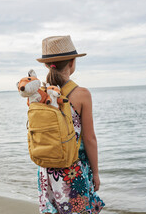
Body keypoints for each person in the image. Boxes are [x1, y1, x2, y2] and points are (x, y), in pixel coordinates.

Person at [36, 36, 105, 214]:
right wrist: (96, 173)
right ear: (72, 63)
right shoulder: (81, 94)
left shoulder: (40, 95)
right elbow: (89, 138)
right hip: (73, 169)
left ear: (46, 65)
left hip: (47, 171)